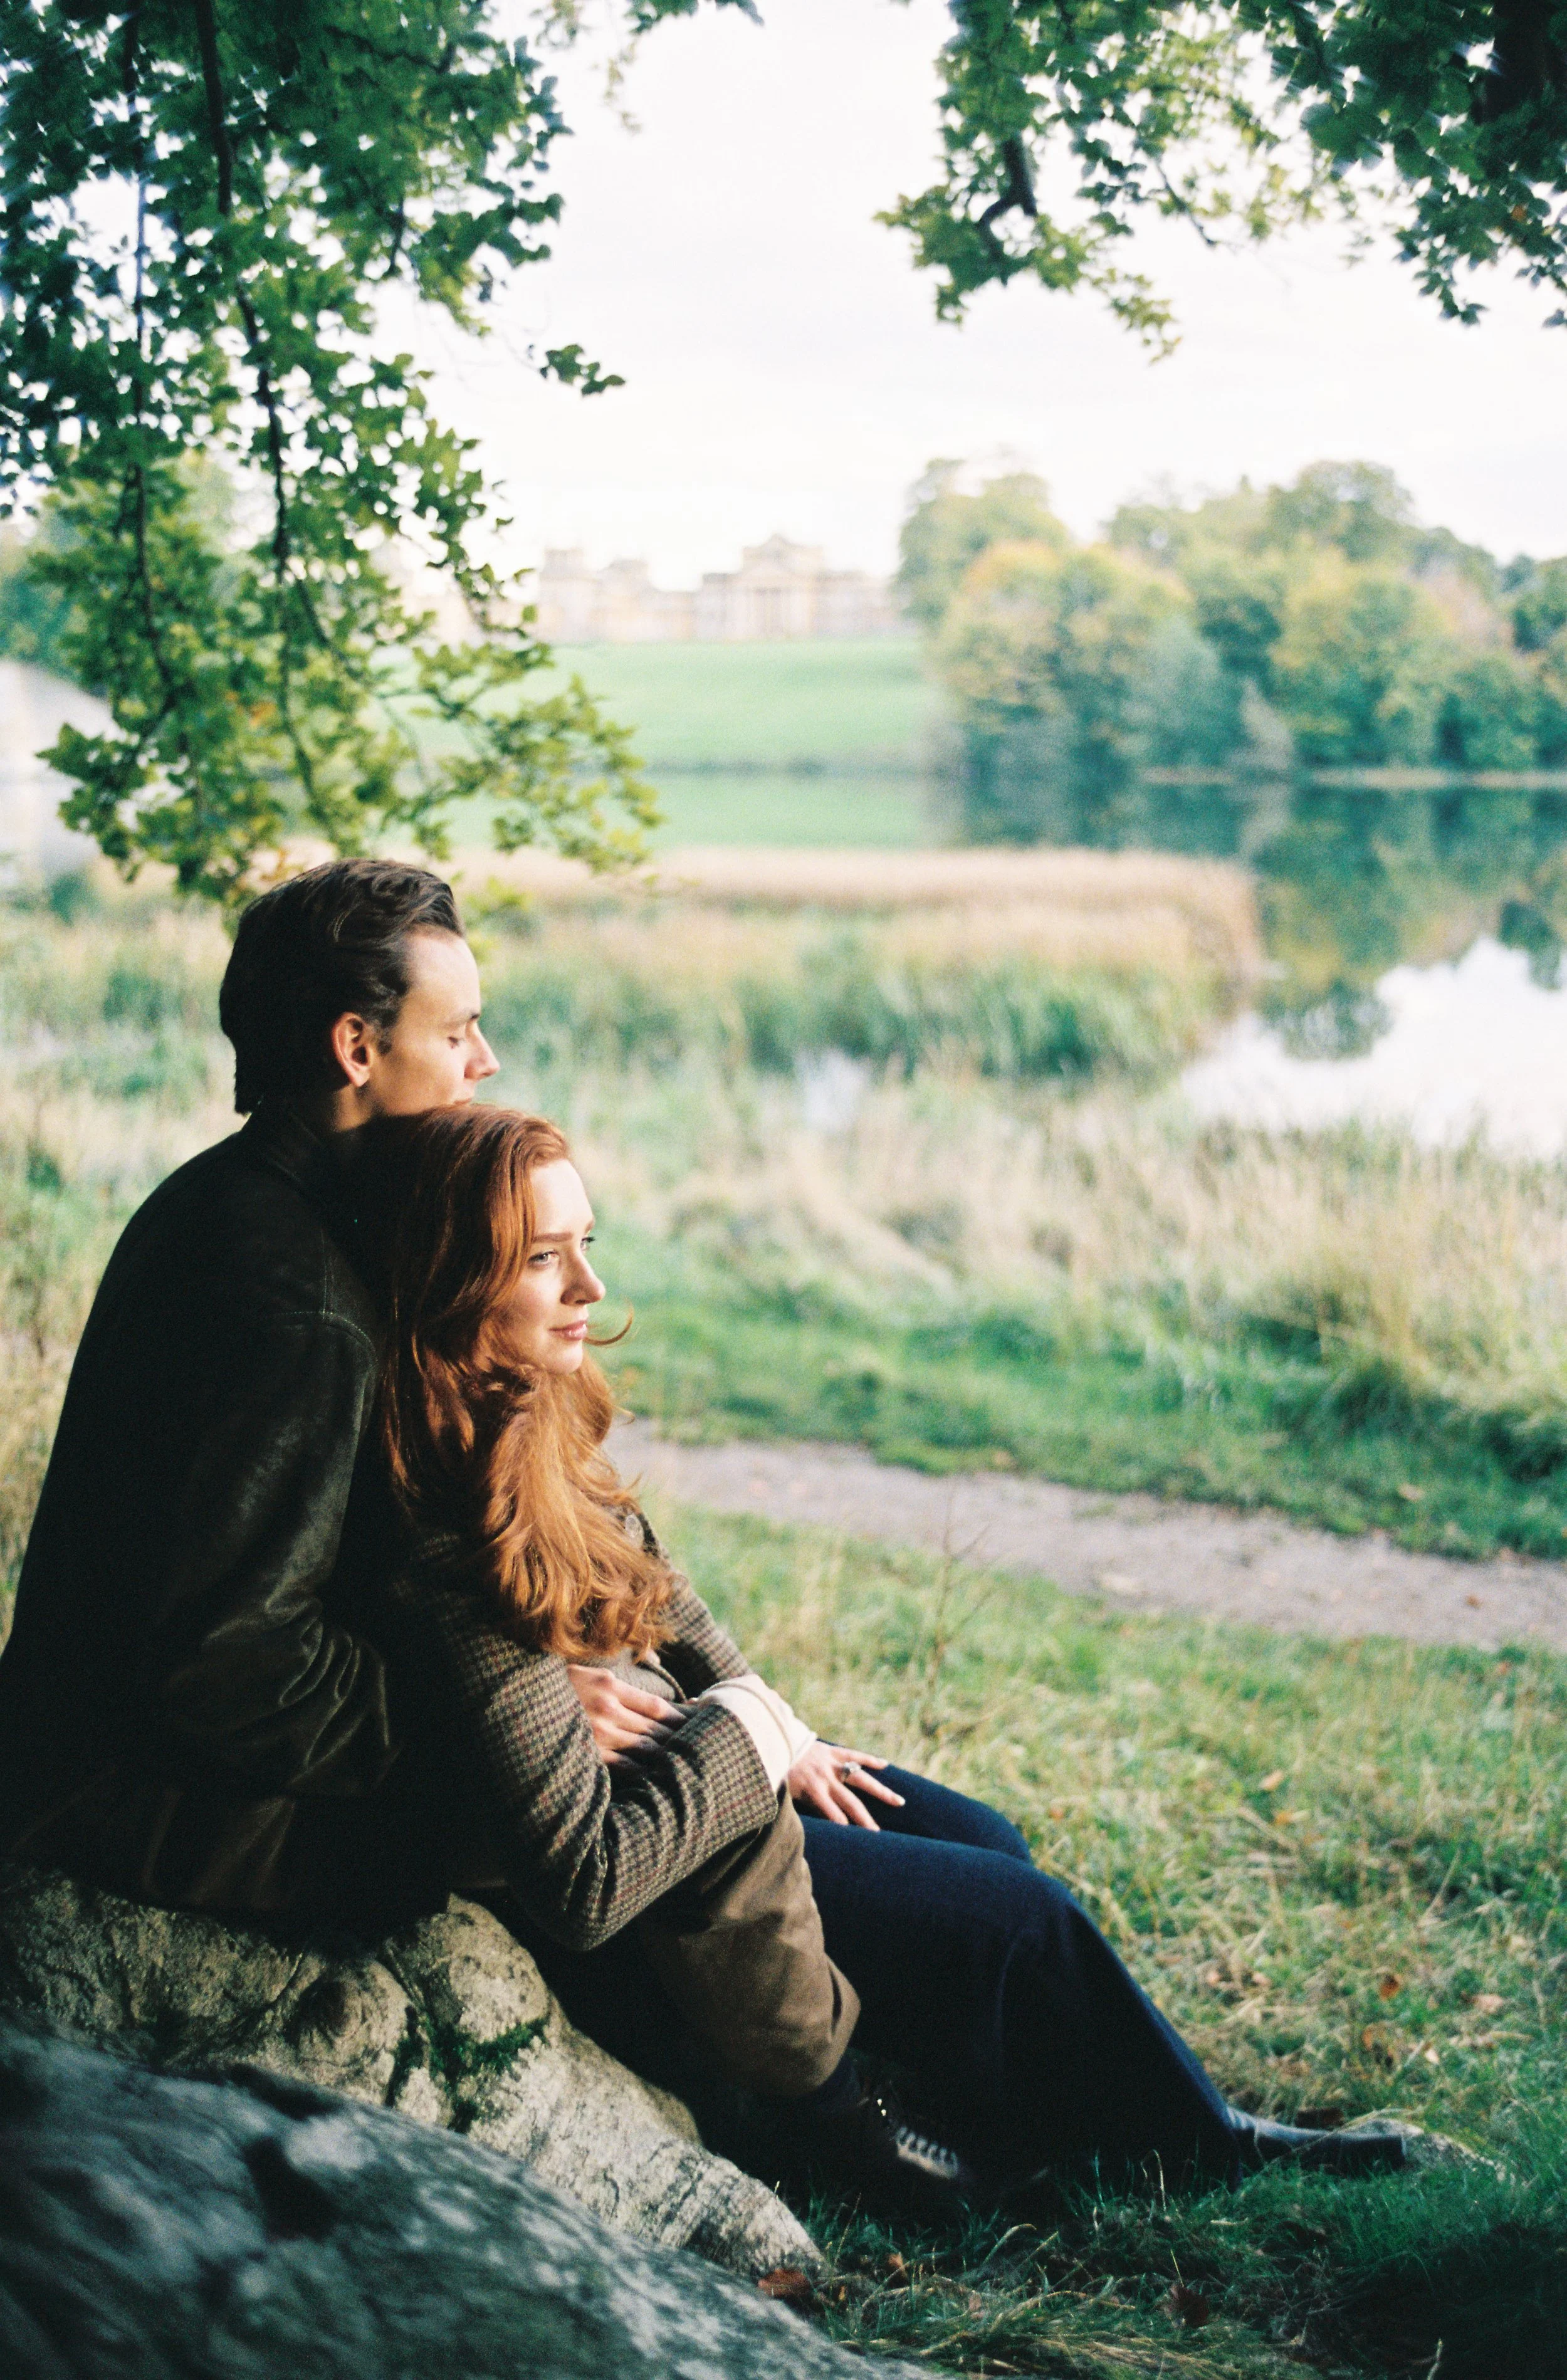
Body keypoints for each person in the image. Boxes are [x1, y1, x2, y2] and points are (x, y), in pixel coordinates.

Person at [350, 1099, 1408, 2205]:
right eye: (543, 1260)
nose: (591, 1289)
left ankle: (1040, 2117)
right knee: (1014, 1928)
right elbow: (585, 1884)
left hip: (704, 1767)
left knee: (984, 1842)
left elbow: (654, 1584)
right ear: (454, 1281)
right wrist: (746, 1736)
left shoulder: (529, 1407)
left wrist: (782, 1725)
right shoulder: (439, 1525)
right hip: (666, 1866)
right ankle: (1202, 2151)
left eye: (589, 1248)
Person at [0, 858, 498, 1925]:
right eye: (455, 1034)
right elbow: (228, 1666)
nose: (484, 1063)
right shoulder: (295, 1303)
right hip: (164, 1818)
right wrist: (488, 1727)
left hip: (125, 1777)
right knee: (617, 1827)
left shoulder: (230, 1196)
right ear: (356, 1048)